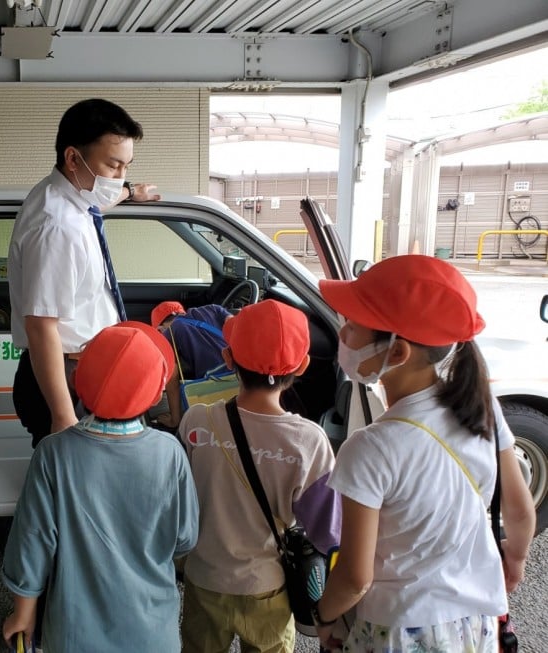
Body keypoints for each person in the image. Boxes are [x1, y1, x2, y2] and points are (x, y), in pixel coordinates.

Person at [312, 254, 536, 653]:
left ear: (398, 353)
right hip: (476, 626)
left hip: (399, 630)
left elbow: (355, 578)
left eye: (353, 326)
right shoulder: (482, 408)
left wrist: (324, 616)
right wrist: (514, 563)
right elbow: (519, 512)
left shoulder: (370, 448)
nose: (342, 333)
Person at [1, 323, 200, 653]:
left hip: (74, 636)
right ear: (155, 394)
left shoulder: (53, 453)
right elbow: (185, 538)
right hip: (153, 635)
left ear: (76, 381)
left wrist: (23, 613)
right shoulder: (170, 453)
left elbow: (31, 542)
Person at [178, 299, 341, 653]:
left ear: (228, 358)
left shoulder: (196, 421)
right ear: (303, 365)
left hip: (204, 577)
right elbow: (327, 532)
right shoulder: (309, 441)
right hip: (266, 586)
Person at [8, 98, 161, 448]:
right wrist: (63, 416)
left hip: (80, 369)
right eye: (113, 166)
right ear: (73, 158)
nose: (120, 176)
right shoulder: (56, 227)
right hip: (68, 378)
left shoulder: (66, 196)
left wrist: (128, 192)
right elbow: (41, 325)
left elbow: (93, 205)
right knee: (75, 473)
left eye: (127, 166)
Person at [151, 300, 232, 429]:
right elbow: (236, 326)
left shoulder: (168, 333)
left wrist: (175, 420)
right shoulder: (214, 308)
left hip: (217, 385)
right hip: (243, 373)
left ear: (160, 329)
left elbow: (172, 378)